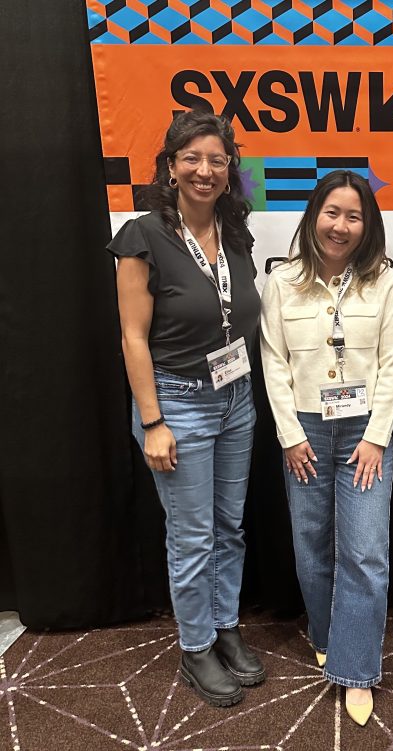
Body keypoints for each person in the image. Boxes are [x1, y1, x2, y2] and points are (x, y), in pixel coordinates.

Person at [108, 111, 264, 707]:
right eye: (192, 158)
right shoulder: (142, 236)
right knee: (193, 535)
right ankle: (196, 645)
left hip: (237, 398)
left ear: (229, 170)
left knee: (230, 526)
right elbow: (132, 337)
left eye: (217, 160)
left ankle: (225, 628)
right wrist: (153, 421)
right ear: (171, 167)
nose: (205, 170)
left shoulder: (236, 232)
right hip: (178, 404)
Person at [260, 170, 393, 726]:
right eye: (332, 213)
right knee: (310, 544)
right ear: (314, 216)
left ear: (366, 225)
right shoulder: (283, 281)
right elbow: (273, 360)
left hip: (366, 432)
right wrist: (290, 436)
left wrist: (377, 437)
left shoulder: (384, 282)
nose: (341, 226)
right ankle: (326, 635)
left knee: (365, 550)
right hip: (305, 430)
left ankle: (357, 667)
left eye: (354, 216)